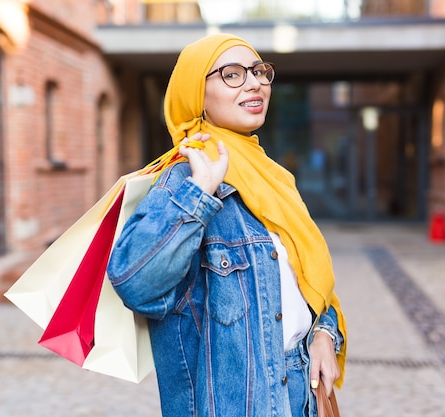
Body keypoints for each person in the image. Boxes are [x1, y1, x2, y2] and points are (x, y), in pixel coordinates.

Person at [107, 33, 347, 417]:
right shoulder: (185, 178)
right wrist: (201, 193)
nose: (254, 83)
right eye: (231, 74)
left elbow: (308, 289)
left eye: (258, 71)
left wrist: (323, 335)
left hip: (298, 398)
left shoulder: (275, 180)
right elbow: (134, 282)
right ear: (195, 93)